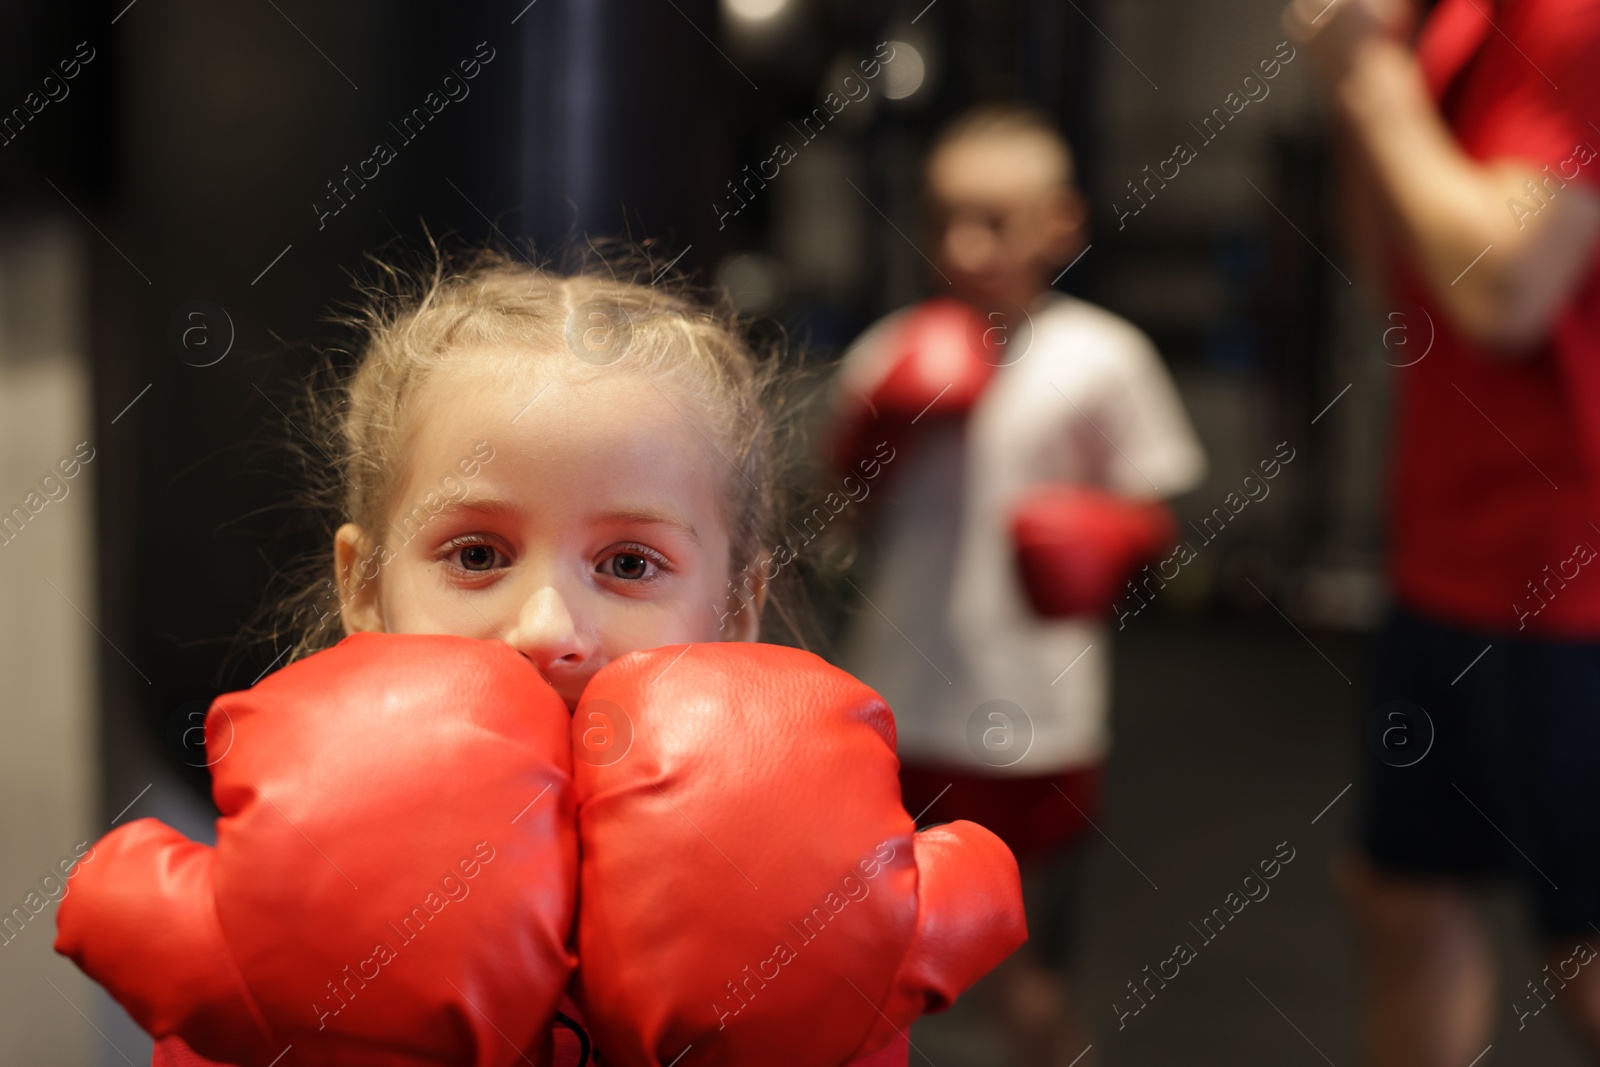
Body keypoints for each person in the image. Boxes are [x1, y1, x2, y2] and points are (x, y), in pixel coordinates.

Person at [57, 249, 1026, 1066]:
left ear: (737, 603)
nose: (545, 626)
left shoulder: (822, 887)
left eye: (629, 562)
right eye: (475, 555)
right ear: (363, 585)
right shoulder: (286, 886)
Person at [825, 104, 1208, 1065]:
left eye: (993, 220)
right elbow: (838, 520)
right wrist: (877, 436)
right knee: (865, 972)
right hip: (896, 712)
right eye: (946, 216)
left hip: (1040, 721)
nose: (963, 244)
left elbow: (1161, 519)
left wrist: (1110, 535)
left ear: (1058, 223)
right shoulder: (891, 349)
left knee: (1029, 985)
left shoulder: (1104, 358)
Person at [1283, 0, 1600, 1064]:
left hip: (1569, 572)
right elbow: (1406, 283)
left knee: (1584, 951)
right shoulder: (1450, 20)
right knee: (1404, 892)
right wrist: (1359, 75)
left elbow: (1505, 286)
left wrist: (1365, 74)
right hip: (1452, 551)